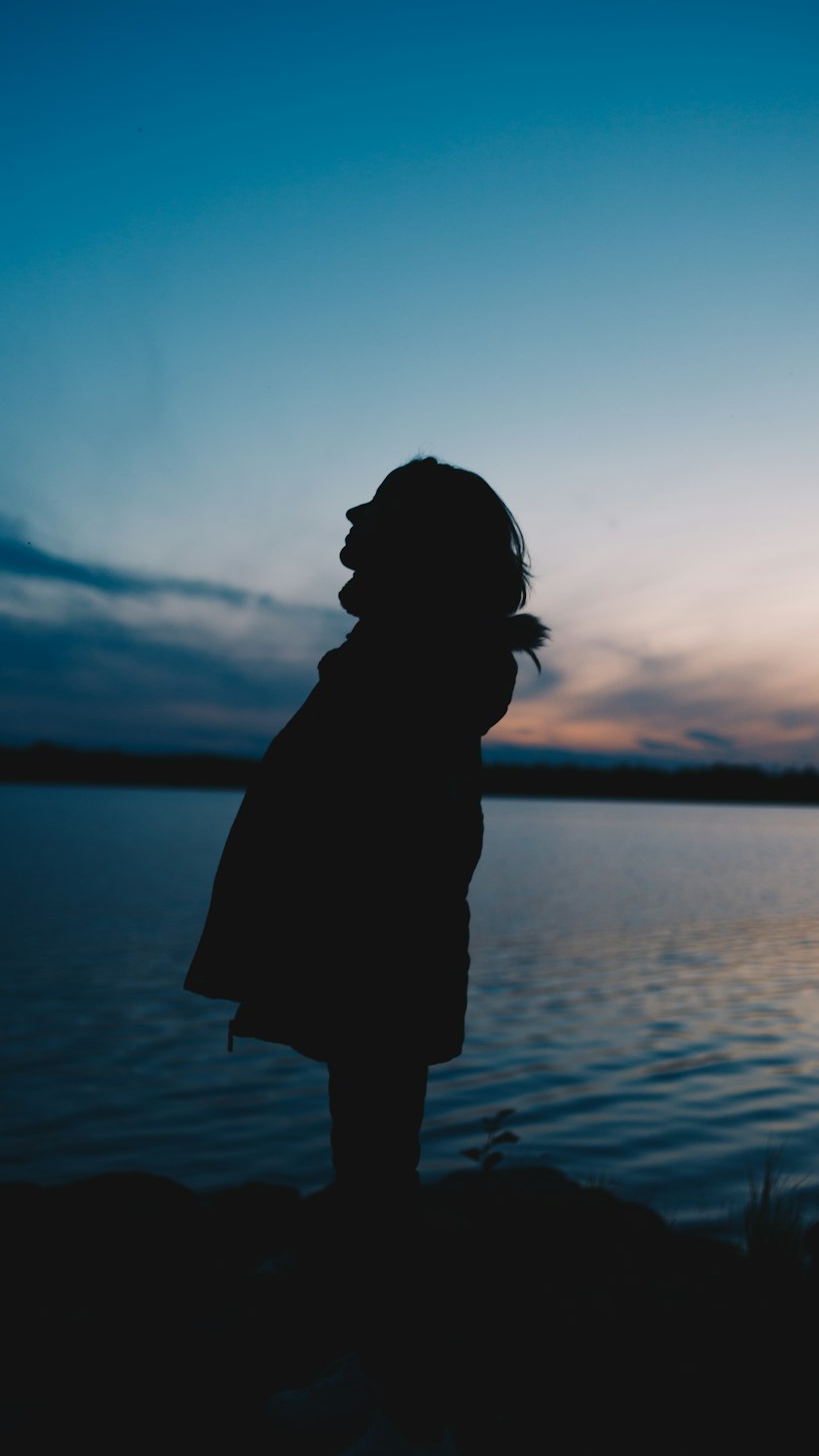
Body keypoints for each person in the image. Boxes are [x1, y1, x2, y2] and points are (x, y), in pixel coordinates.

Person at [184, 456, 547, 1455]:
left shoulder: (416, 664)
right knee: (371, 1169)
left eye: (381, 528)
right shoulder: (414, 653)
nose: (354, 541)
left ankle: (395, 1400)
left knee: (376, 1177)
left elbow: (384, 826)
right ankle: (381, 1374)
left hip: (379, 953)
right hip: (375, 948)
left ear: (421, 556)